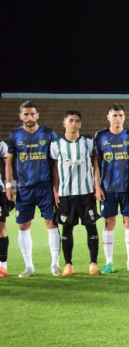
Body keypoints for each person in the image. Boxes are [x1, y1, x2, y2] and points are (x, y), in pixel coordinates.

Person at [5, 101, 61, 278]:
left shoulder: (48, 133)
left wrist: (56, 188)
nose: (29, 117)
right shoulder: (15, 135)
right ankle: (29, 266)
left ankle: (55, 265)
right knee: (23, 225)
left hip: (45, 187)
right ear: (20, 116)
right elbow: (9, 163)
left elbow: (54, 163)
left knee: (51, 224)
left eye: (32, 114)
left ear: (37, 115)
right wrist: (9, 186)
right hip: (24, 188)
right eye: (26, 114)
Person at [51, 110, 101, 277]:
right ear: (64, 123)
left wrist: (97, 187)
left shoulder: (88, 142)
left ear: (80, 124)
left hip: (86, 193)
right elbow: (55, 170)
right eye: (71, 120)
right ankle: (68, 264)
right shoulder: (56, 144)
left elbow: (95, 165)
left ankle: (93, 262)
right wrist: (55, 190)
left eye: (77, 121)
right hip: (66, 194)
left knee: (91, 227)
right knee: (67, 229)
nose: (74, 123)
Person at [94, 104, 129, 273]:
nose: (118, 118)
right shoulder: (101, 136)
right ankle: (109, 262)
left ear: (124, 117)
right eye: (114, 115)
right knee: (109, 222)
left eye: (120, 115)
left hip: (127, 187)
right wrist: (97, 187)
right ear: (108, 117)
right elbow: (96, 165)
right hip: (108, 188)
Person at [0, 140, 11, 278]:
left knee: (1, 229)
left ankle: (3, 265)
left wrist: (8, 186)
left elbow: (7, 164)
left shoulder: (1, 145)